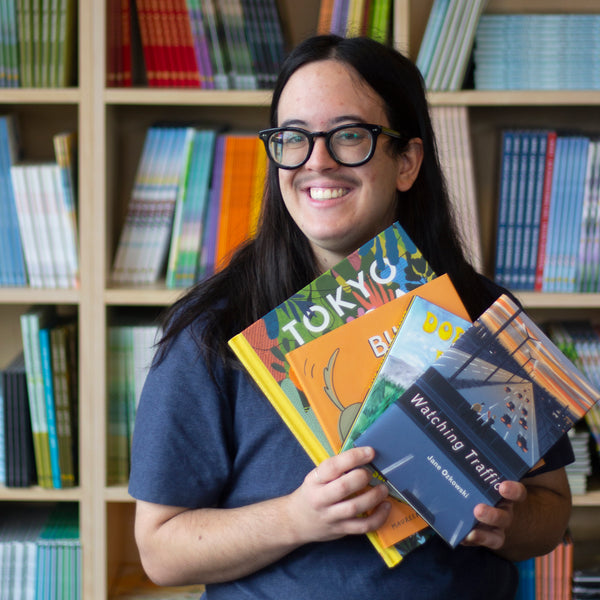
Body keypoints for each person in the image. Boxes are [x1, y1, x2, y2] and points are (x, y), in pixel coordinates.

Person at [128, 35, 573, 599]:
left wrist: (509, 524)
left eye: (349, 136)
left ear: (407, 162)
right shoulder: (212, 330)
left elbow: (552, 511)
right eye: (293, 138)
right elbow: (160, 550)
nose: (316, 161)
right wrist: (297, 517)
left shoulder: (480, 313)